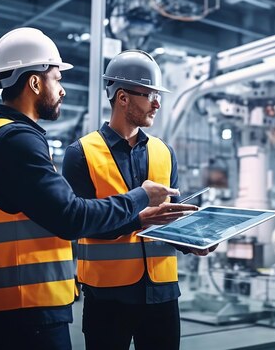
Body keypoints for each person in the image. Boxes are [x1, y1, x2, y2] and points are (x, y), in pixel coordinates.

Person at [0, 28, 194, 350]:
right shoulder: (29, 142)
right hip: (38, 306)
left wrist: (194, 239)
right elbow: (73, 218)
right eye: (56, 79)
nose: (62, 90)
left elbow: (170, 215)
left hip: (154, 290)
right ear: (34, 83)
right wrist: (141, 200)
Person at [62, 50, 215, 350]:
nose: (157, 103)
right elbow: (81, 224)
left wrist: (195, 241)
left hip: (162, 294)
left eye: (157, 95)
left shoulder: (164, 152)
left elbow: (171, 219)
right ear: (122, 98)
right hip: (107, 297)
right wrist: (139, 219)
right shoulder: (81, 154)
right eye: (149, 95)